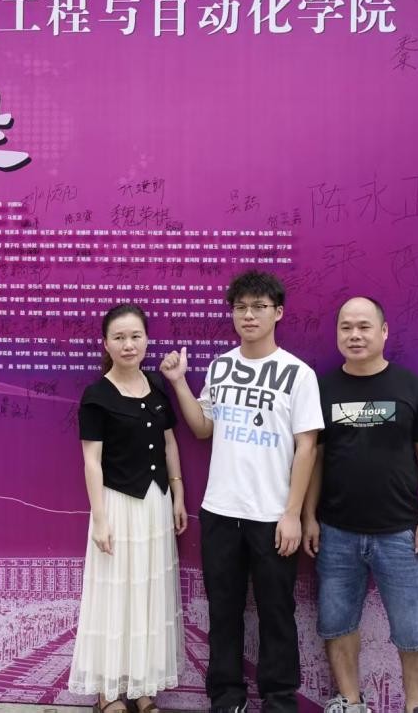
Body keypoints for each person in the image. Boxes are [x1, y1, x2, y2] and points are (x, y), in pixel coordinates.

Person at [160, 270, 322, 713]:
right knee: (223, 610)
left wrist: (292, 513)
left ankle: (279, 700)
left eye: (259, 307)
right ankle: (227, 698)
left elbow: (307, 447)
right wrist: (179, 383)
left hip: (273, 514)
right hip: (221, 510)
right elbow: (203, 428)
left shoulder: (298, 374)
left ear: (278, 312)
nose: (249, 315)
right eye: (241, 307)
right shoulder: (221, 366)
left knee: (276, 611)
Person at [302, 296, 418, 713]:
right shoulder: (322, 389)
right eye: (346, 327)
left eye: (364, 326)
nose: (355, 335)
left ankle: (415, 706)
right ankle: (350, 702)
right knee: (337, 625)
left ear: (383, 332)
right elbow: (315, 458)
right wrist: (309, 517)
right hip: (336, 533)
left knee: (413, 630)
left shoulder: (411, 386)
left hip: (401, 533)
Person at [69, 303, 189, 713]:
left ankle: (143, 689)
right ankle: (107, 693)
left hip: (156, 505)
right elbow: (91, 462)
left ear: (146, 340)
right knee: (115, 596)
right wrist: (100, 520)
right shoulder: (97, 396)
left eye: (136, 336)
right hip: (118, 506)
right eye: (119, 337)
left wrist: (178, 495)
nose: (128, 345)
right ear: (105, 343)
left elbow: (170, 443)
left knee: (149, 597)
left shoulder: (155, 386)